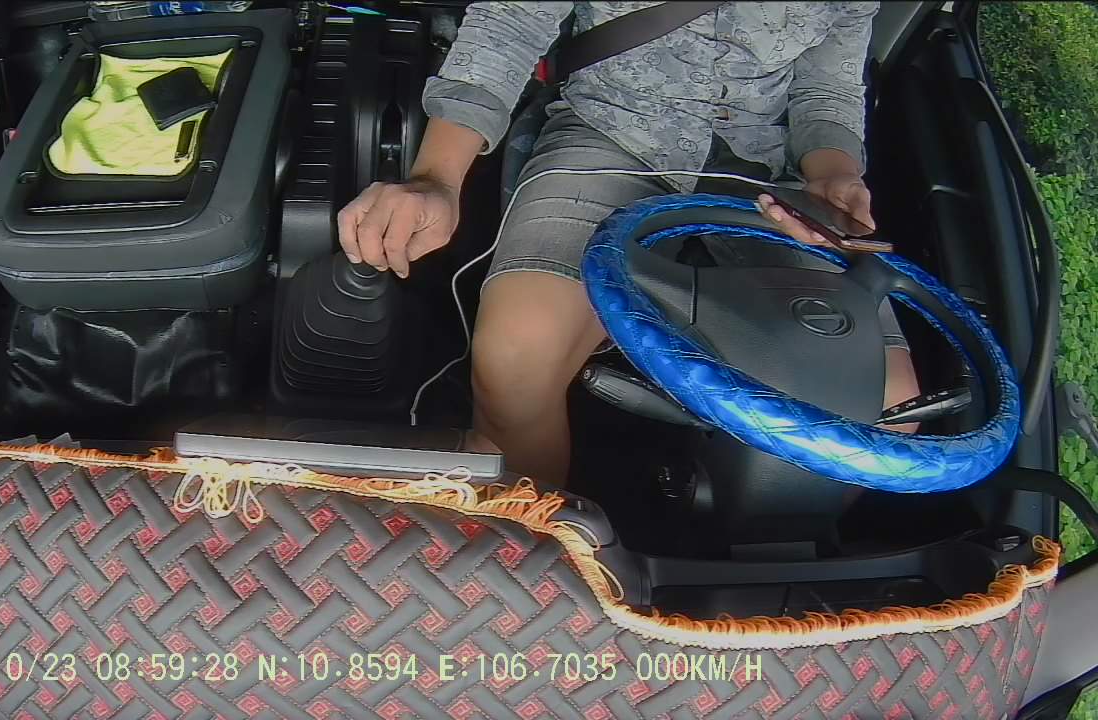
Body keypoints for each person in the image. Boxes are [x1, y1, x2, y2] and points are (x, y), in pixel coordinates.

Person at [337, 2, 919, 486]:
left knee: (886, 409)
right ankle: (533, 553)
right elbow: (510, 24)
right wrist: (436, 178)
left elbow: (826, 85)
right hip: (610, 131)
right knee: (515, 358)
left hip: (768, 169)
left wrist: (833, 175)